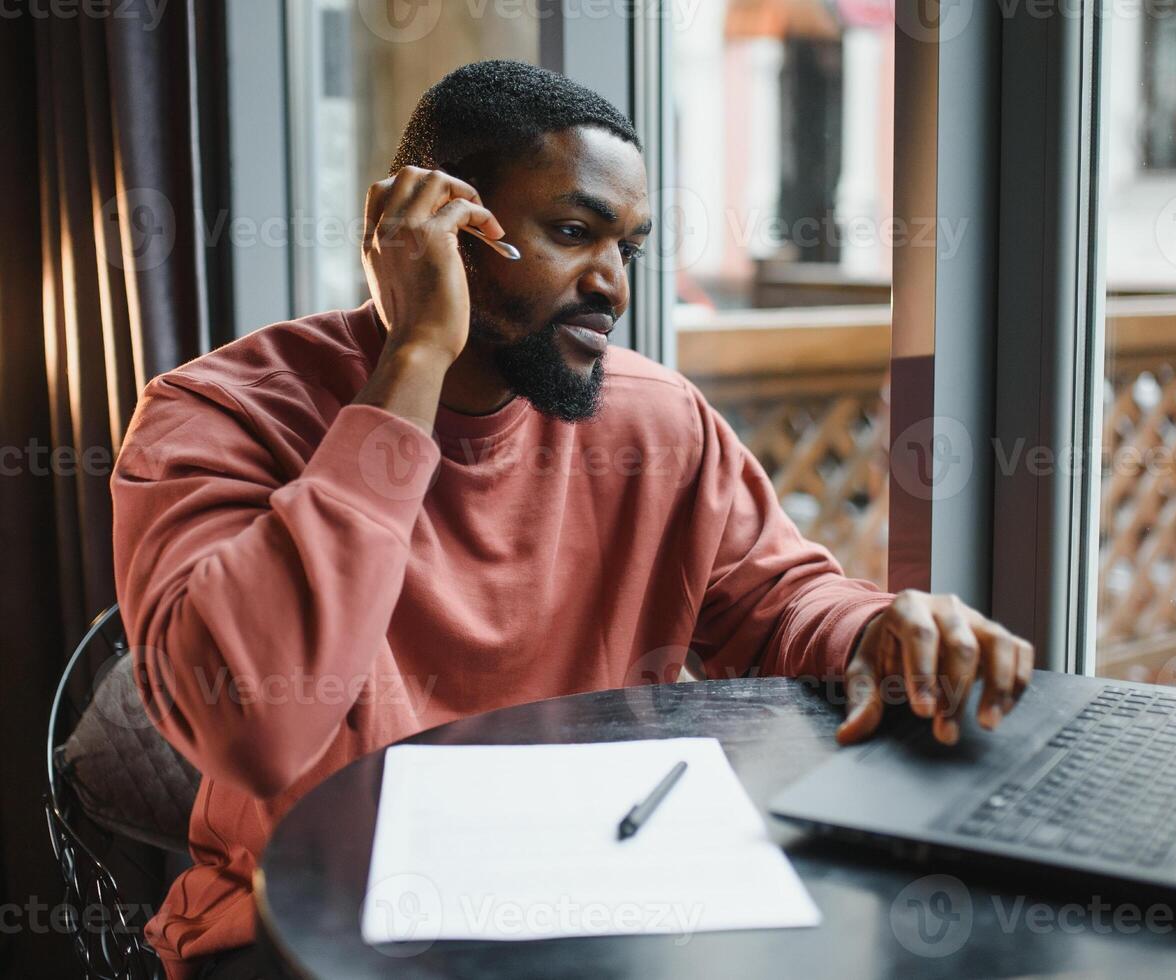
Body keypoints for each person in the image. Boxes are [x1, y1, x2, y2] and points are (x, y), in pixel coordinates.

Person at [111, 60, 1034, 979]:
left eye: (624, 248)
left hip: (596, 896)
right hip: (305, 923)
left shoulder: (656, 424)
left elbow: (784, 605)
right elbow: (251, 724)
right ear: (442, 230)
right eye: (571, 232)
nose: (614, 288)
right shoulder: (219, 416)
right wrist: (418, 356)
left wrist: (880, 630)